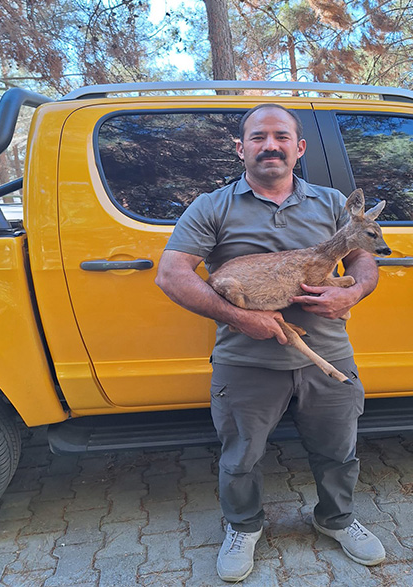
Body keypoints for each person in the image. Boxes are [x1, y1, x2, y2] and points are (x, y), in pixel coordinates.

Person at [155, 103, 386, 581]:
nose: (270, 145)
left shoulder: (331, 203)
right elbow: (172, 274)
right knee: (241, 456)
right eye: (258, 137)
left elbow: (364, 261)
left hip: (328, 352)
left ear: (299, 148)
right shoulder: (212, 206)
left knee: (338, 449)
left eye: (281, 136)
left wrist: (357, 290)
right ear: (241, 148)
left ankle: (336, 518)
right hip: (247, 358)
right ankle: (243, 526)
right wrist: (241, 318)